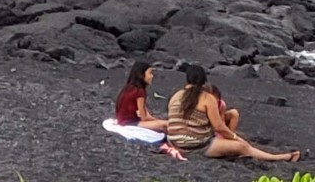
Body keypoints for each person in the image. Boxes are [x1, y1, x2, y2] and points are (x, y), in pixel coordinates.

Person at [162, 66, 299, 163]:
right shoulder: (207, 98)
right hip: (197, 146)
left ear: (187, 80)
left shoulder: (175, 96)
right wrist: (236, 138)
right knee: (243, 147)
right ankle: (281, 157)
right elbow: (219, 127)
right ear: (204, 80)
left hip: (173, 141)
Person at [114, 61, 171, 135]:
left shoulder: (128, 88)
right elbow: (144, 117)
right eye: (150, 73)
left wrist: (156, 120)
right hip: (130, 123)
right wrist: (159, 121)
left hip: (122, 121)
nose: (152, 76)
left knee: (162, 123)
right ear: (141, 75)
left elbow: (143, 113)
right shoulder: (140, 91)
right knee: (164, 125)